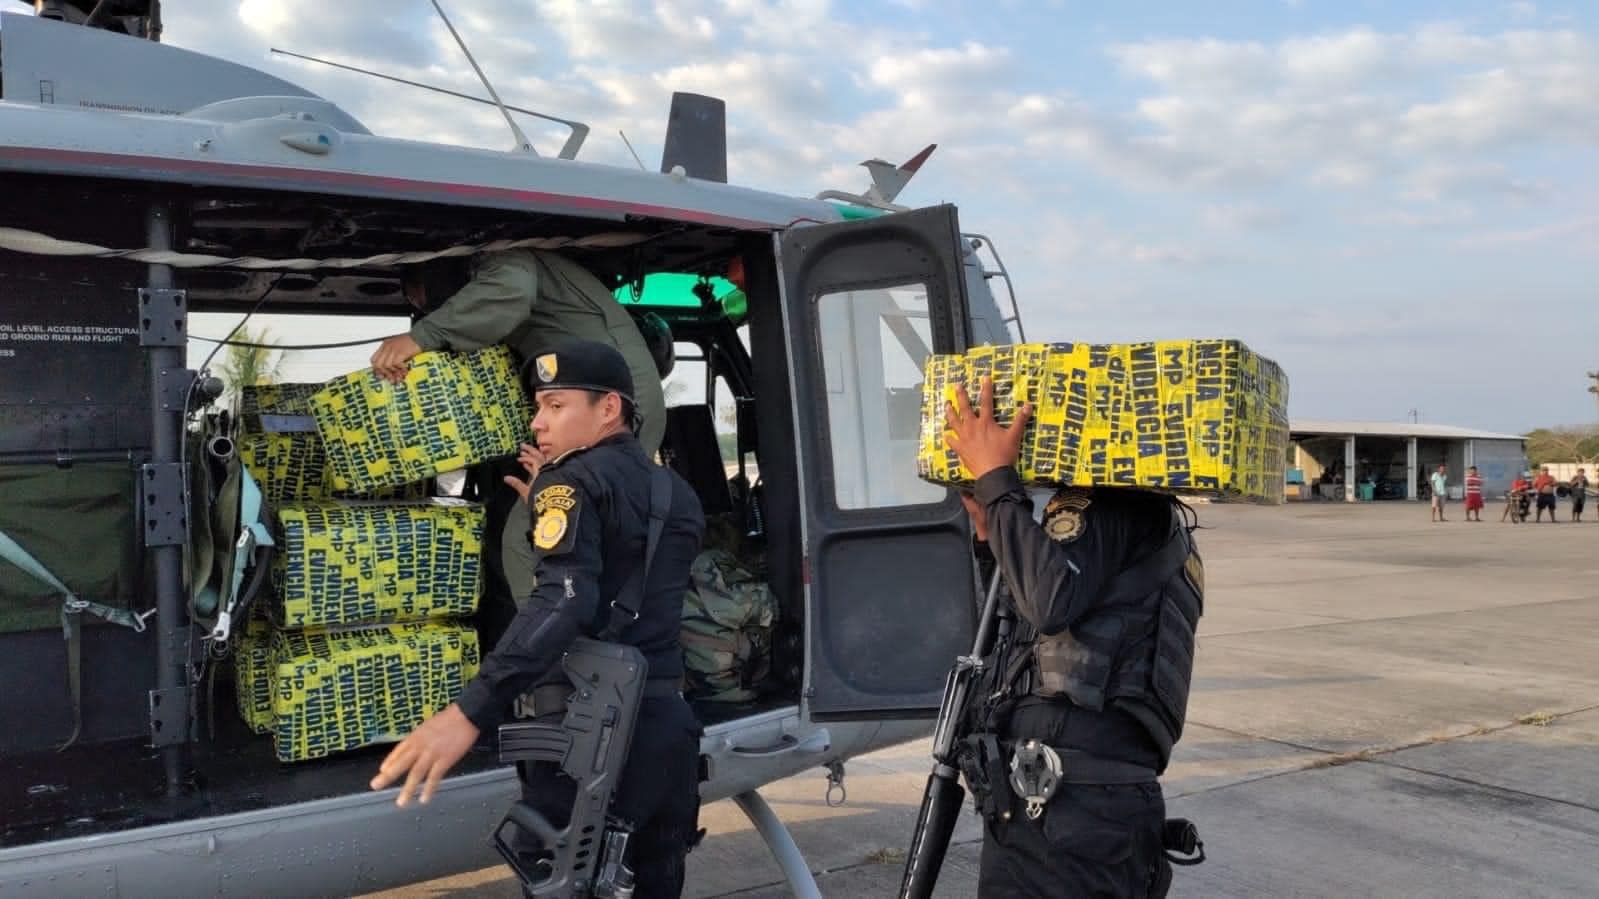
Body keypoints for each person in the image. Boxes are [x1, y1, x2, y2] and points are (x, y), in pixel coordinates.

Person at [370, 340, 706, 897]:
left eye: (556, 405)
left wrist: (470, 710)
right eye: (538, 407)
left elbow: (564, 600)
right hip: (667, 731)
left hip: (590, 734)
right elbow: (633, 572)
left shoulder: (567, 482)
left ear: (608, 408)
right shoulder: (676, 491)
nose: (537, 422)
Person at [943, 378, 1201, 897]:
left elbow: (1050, 602)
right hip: (1075, 810)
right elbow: (1021, 630)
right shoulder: (1151, 521)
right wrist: (992, 533)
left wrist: (997, 482)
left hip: (1069, 815)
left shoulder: (1111, 506)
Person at [369, 250, 673, 643]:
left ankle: (554, 653)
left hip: (608, 406)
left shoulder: (502, 259)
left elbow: (513, 286)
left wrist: (419, 337)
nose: (424, 309)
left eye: (422, 298)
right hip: (588, 405)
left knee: (529, 536)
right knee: (532, 530)